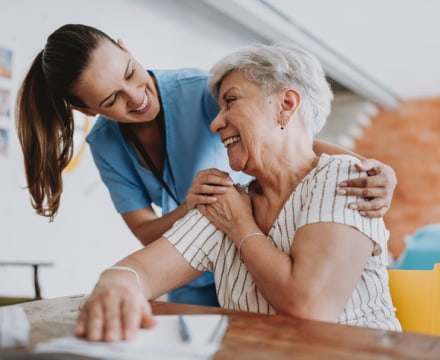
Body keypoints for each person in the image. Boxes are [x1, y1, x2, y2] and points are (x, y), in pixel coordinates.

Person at [16, 24, 397, 307]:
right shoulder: (107, 145)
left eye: (131, 73)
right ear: (87, 110)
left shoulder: (201, 90)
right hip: (201, 264)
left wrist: (366, 166)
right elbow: (146, 243)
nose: (136, 98)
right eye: (112, 98)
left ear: (125, 48)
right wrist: (190, 210)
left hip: (250, 257)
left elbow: (282, 137)